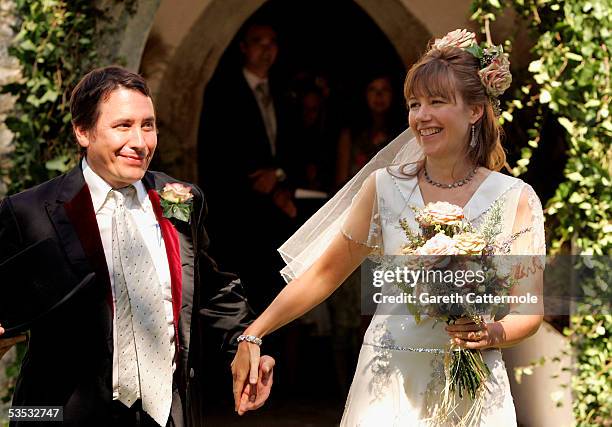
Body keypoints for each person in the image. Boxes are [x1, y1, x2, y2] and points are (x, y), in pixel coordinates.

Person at [231, 29, 546, 425]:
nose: (421, 116)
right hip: (387, 383)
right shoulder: (384, 188)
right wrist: (253, 333)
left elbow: (529, 310)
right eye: (414, 104)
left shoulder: (515, 198)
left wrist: (493, 333)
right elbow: (324, 275)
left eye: (437, 102)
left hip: (471, 389)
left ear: (475, 110)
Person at [0, 66, 274, 426]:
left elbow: (210, 288)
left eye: (148, 125)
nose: (141, 142)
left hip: (168, 414)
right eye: (123, 126)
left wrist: (246, 340)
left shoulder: (181, 199)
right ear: (83, 131)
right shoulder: (29, 212)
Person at [199, 21, 296, 314]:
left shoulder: (283, 91)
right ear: (243, 47)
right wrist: (252, 181)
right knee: (242, 298)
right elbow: (214, 153)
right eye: (259, 42)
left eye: (272, 42)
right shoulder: (222, 92)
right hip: (237, 214)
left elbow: (297, 146)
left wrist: (278, 176)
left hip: (280, 216)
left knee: (279, 297)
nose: (266, 50)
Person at [335, 73, 404, 188]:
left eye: (385, 90)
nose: (379, 95)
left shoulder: (401, 134)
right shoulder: (351, 134)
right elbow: (341, 182)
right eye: (373, 89)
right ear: (364, 94)